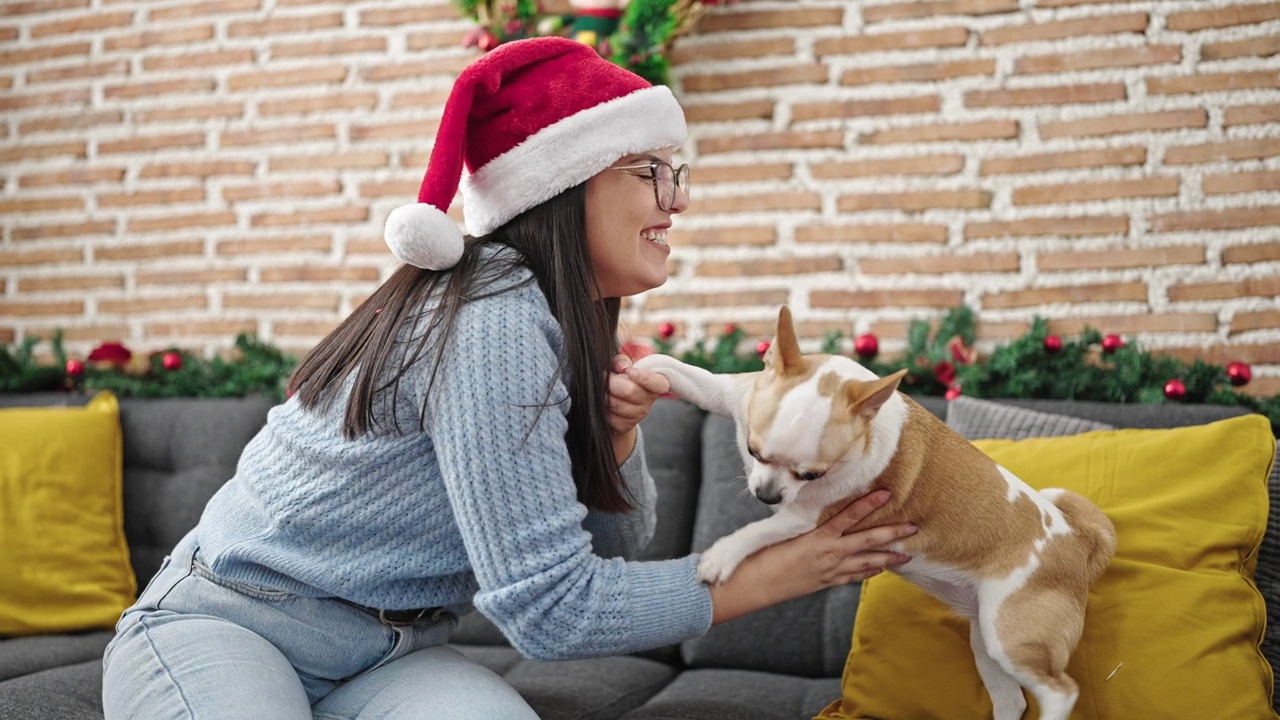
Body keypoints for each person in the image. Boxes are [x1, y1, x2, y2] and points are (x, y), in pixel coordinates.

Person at [101, 37, 918, 719]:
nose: (676, 202)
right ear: (564, 183)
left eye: (676, 173)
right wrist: (787, 567)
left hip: (390, 655)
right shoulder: (491, 311)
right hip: (231, 625)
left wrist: (618, 437)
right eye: (650, 172)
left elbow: (617, 546)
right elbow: (551, 610)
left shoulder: (560, 318)